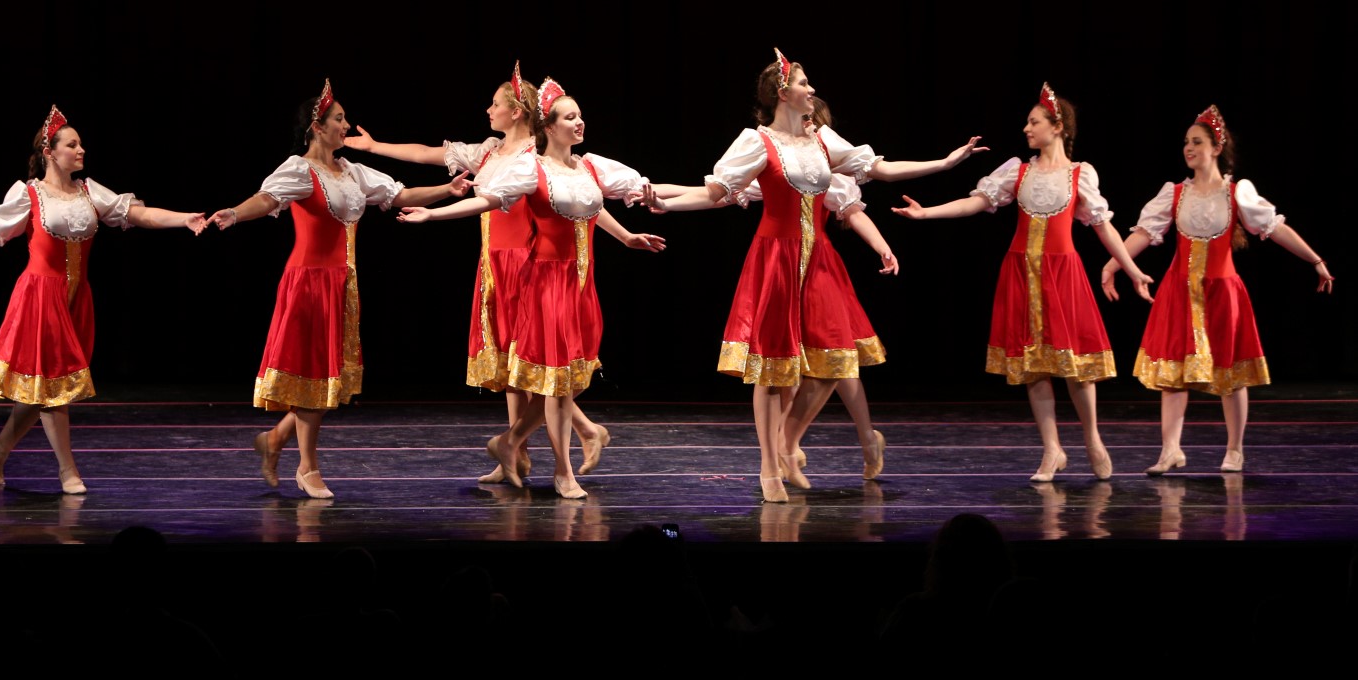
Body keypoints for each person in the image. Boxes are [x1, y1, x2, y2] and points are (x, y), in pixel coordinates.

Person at [648, 51, 986, 501]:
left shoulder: (822, 139)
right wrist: (666, 204)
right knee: (772, 370)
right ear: (782, 92)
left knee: (833, 356)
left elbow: (880, 169)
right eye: (804, 83)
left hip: (820, 261)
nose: (812, 90)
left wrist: (943, 163)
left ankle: (796, 446)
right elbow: (715, 192)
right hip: (777, 258)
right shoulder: (757, 142)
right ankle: (769, 468)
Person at [343, 62, 641, 483]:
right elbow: (426, 153)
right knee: (511, 369)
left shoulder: (538, 155)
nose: (488, 109)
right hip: (493, 264)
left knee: (537, 364)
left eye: (495, 103)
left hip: (526, 263)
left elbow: (583, 204)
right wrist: (374, 147)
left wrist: (624, 235)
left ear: (516, 111)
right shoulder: (487, 152)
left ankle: (562, 437)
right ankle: (519, 456)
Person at [0, 105, 206, 494]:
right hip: (40, 297)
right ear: (49, 152)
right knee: (52, 386)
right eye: (72, 144)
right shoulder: (29, 194)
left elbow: (138, 214)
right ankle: (68, 471)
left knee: (40, 390)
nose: (81, 149)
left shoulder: (88, 191)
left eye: (80, 143)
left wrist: (183, 218)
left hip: (75, 298)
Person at [208, 80, 473, 499]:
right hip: (308, 282)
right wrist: (235, 214)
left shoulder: (351, 171)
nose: (346, 125)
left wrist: (448, 189)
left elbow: (399, 194)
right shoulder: (300, 170)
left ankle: (275, 440)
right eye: (339, 118)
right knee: (314, 373)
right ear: (317, 127)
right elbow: (266, 199)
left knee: (326, 374)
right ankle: (307, 467)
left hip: (342, 283)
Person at [893, 82, 1154, 481]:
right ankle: (1052, 450)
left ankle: (1092, 439)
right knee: (1033, 366)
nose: (1026, 128)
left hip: (1062, 274)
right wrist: (927, 213)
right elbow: (977, 202)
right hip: (1021, 273)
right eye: (1028, 122)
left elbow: (1104, 227)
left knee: (1075, 364)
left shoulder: (1079, 174)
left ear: (1057, 126)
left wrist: (1132, 270)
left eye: (1034, 122)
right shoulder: (1018, 170)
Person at [1101, 105, 1333, 474]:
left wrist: (1315, 260)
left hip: (1223, 293)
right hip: (1179, 292)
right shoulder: (1175, 193)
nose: (1188, 148)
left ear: (1216, 147)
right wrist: (1114, 265)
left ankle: (1235, 449)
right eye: (1186, 142)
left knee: (1231, 374)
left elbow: (1274, 229)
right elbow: (1143, 234)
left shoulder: (1237, 193)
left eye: (1197, 142)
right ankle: (1170, 450)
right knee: (1173, 374)